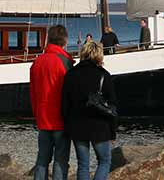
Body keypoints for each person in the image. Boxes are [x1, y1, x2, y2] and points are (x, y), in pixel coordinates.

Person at [61, 41, 117, 180]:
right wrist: (113, 131)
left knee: (83, 164)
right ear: (99, 55)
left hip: (77, 125)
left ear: (83, 53)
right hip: (100, 125)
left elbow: (65, 103)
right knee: (104, 161)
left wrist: (67, 127)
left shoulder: (71, 74)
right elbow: (112, 106)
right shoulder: (104, 75)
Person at [29, 24, 73, 180]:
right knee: (60, 160)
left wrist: (36, 115)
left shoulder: (37, 62)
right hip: (60, 119)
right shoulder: (65, 62)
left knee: (42, 159)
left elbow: (33, 92)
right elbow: (70, 93)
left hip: (43, 118)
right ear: (64, 40)